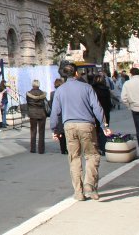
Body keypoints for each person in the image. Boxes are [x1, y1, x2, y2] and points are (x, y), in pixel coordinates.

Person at [49, 62, 111, 201]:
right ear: (76, 73)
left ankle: (78, 192)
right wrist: (104, 125)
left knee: (74, 158)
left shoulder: (60, 90)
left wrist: (55, 129)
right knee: (92, 155)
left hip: (69, 126)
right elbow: (97, 107)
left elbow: (55, 112)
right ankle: (90, 184)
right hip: (86, 125)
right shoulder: (87, 87)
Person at [90, 74, 113, 155]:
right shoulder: (106, 90)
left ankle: (96, 147)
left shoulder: (92, 89)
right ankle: (104, 147)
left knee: (94, 131)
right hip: (105, 112)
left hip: (94, 112)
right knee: (104, 129)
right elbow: (109, 102)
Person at [25, 79, 48, 154]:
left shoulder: (29, 94)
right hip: (41, 113)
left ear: (32, 85)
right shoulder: (42, 93)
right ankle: (41, 150)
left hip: (32, 114)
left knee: (33, 131)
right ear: (39, 85)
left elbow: (28, 103)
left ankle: (33, 148)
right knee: (41, 132)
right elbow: (45, 103)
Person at [50, 78, 68, 154]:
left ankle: (63, 149)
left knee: (60, 132)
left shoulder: (53, 93)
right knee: (66, 131)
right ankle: (67, 148)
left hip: (58, 114)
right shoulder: (65, 92)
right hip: (65, 113)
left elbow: (51, 104)